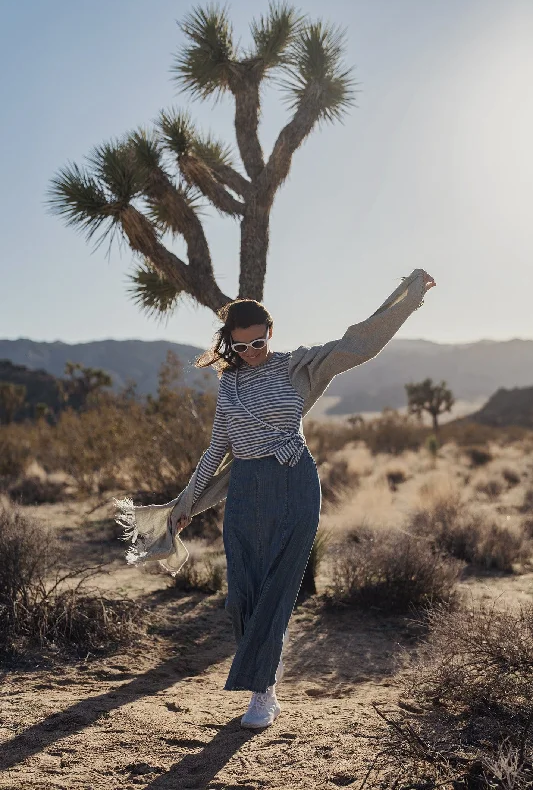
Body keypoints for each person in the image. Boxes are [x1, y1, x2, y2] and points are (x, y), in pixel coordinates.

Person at [170, 269, 436, 729]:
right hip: (246, 491)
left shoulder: (299, 365)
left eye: (258, 342)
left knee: (277, 586)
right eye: (241, 346)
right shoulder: (229, 385)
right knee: (242, 595)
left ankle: (262, 693)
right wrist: (186, 502)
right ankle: (264, 680)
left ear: (270, 333)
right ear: (228, 344)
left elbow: (359, 343)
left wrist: (408, 298)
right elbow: (218, 448)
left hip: (294, 482)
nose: (252, 353)